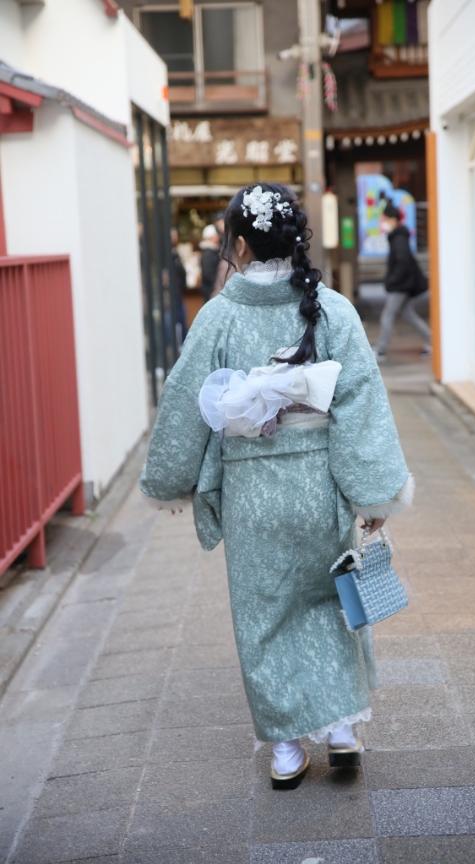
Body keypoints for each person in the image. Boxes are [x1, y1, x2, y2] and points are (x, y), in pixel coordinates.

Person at [139, 183, 413, 790]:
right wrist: (373, 495)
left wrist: (168, 480)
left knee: (262, 615)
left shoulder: (218, 316)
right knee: (329, 602)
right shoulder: (333, 309)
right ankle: (343, 731)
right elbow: (362, 404)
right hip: (318, 486)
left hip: (251, 493)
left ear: (237, 244)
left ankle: (287, 750)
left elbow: (186, 403)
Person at [374, 200, 431, 361]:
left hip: (401, 286)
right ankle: (432, 341)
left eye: (384, 219)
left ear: (392, 220)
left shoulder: (398, 238)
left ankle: (381, 351)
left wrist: (392, 281)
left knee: (387, 316)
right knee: (408, 314)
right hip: (403, 284)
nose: (382, 222)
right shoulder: (398, 236)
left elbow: (403, 262)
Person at [170, 227, 188, 344]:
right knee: (177, 319)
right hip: (174, 293)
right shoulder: (169, 255)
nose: (175, 238)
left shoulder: (175, 253)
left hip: (178, 291)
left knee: (181, 320)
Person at [199, 223, 221, 302]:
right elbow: (208, 274)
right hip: (211, 292)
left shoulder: (212, 251)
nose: (218, 237)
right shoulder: (209, 253)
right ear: (212, 237)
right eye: (216, 235)